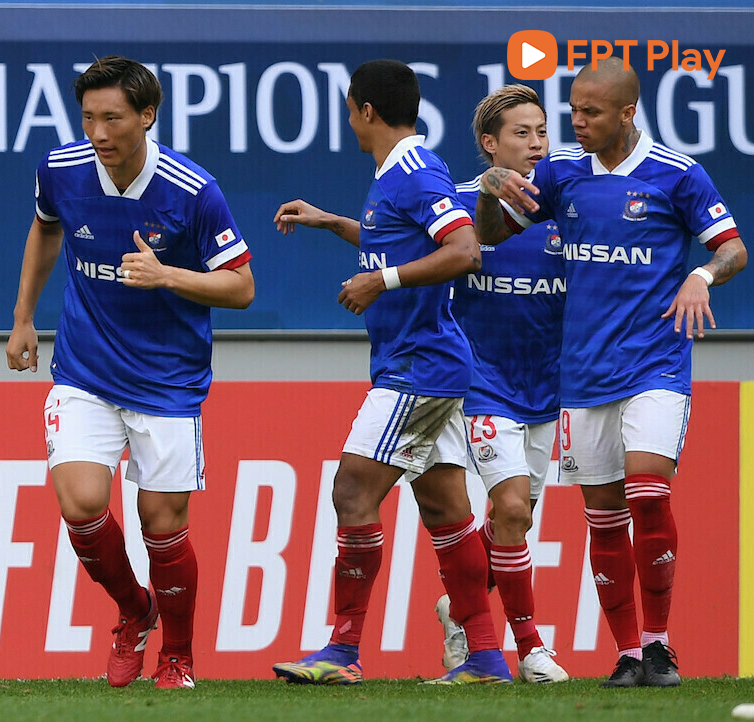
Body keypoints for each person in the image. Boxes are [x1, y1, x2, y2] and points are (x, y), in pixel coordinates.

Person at [474, 57, 747, 687]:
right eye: (573, 110)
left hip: (655, 365)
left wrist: (700, 276)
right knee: (603, 515)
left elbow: (731, 247)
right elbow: (493, 233)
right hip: (582, 375)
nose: (576, 123)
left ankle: (658, 643)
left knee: (647, 493)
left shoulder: (679, 175)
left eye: (590, 113)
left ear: (627, 113)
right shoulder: (563, 174)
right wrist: (491, 191)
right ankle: (628, 652)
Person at [6, 55, 254, 690]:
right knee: (83, 504)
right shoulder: (60, 170)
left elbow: (242, 287)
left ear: (147, 115)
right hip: (84, 371)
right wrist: (24, 316)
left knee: (162, 525)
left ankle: (178, 654)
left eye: (112, 118)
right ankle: (132, 610)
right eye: (88, 117)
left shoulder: (194, 191)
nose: (98, 131)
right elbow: (45, 229)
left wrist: (167, 274)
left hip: (167, 381)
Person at [270, 59, 509, 685]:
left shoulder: (413, 171)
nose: (349, 118)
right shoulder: (395, 176)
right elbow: (395, 243)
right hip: (429, 363)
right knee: (445, 510)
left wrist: (382, 280)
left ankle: (343, 653)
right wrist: (332, 223)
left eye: (350, 108)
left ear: (364, 111)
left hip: (418, 367)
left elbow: (464, 251)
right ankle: (485, 657)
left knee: (352, 492)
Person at [431, 84, 569, 684]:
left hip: (547, 387)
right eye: (521, 133)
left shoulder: (567, 204)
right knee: (510, 507)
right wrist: (334, 223)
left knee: (514, 521)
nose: (536, 143)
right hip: (480, 386)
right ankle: (531, 646)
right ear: (489, 144)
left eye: (542, 131)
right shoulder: (458, 205)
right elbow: (395, 245)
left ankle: (459, 609)